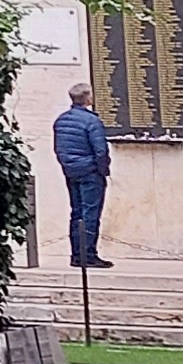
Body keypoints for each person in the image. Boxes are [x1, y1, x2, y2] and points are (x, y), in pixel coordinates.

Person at [53, 85, 114, 270]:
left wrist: (68, 166)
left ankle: (76, 255)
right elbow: (100, 150)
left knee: (77, 213)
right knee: (90, 214)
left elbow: (59, 148)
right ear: (87, 99)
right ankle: (88, 255)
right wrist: (103, 170)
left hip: (71, 172)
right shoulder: (91, 121)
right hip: (90, 172)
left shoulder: (61, 120)